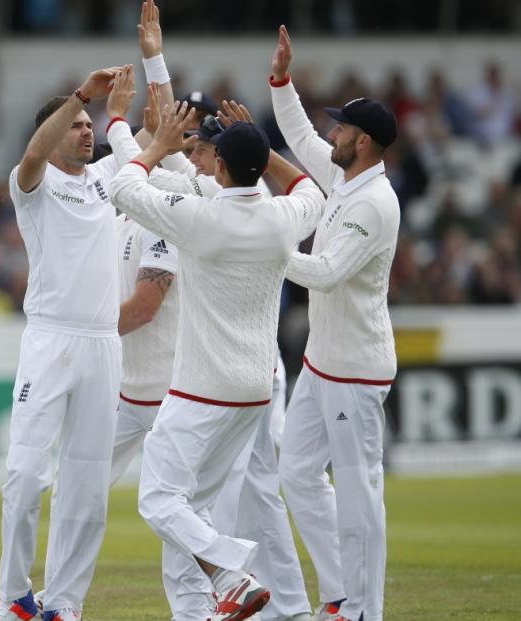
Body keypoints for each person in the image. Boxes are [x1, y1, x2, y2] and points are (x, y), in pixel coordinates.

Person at [104, 62, 311, 621]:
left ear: (218, 162)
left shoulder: (196, 216)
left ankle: (229, 572)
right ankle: (197, 611)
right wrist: (263, 151)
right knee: (190, 506)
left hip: (200, 390)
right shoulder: (281, 217)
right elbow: (309, 187)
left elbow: (127, 185)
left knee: (157, 500)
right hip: (254, 390)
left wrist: (125, 127)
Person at [268, 25, 400, 621]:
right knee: (296, 474)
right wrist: (281, 80)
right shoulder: (347, 177)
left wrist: (260, 246)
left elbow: (322, 273)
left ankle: (364, 611)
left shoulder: (373, 203)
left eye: (341, 128)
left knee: (359, 489)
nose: (331, 134)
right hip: (322, 362)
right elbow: (296, 132)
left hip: (355, 370)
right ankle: (341, 591)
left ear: (364, 141)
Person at [0, 65, 124, 621]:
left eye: (91, 125)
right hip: (50, 340)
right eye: (77, 124)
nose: (87, 131)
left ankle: (65, 603)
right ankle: (13, 597)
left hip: (103, 345)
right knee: (25, 476)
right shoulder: (32, 182)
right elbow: (34, 151)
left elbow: (152, 146)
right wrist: (82, 95)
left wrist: (144, 86)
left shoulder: (108, 177)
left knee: (88, 489)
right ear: (56, 130)